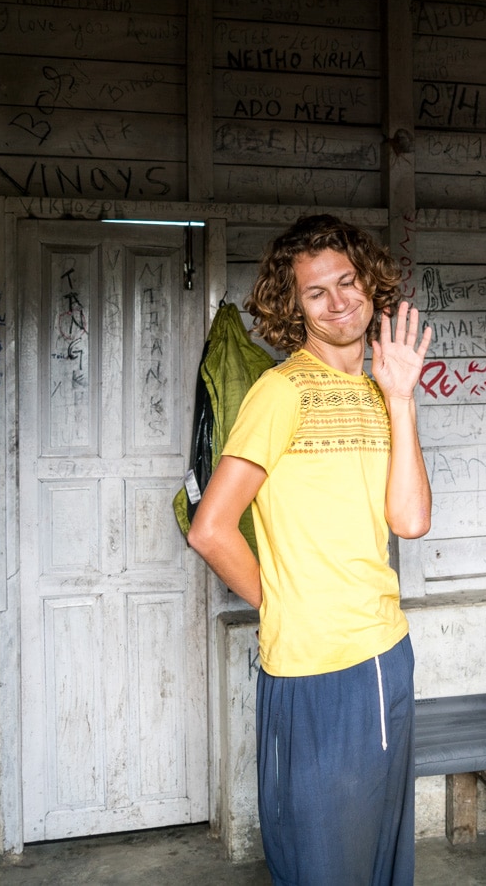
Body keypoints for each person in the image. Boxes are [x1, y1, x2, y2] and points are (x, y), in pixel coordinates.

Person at [187, 214, 433, 886]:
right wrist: (287, 601)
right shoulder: (280, 391)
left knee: (378, 864)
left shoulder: (381, 396)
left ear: (369, 283)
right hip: (316, 666)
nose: (338, 301)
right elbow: (210, 527)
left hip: (382, 655)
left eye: (347, 282)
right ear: (292, 306)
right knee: (323, 866)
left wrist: (403, 398)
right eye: (316, 292)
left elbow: (409, 520)